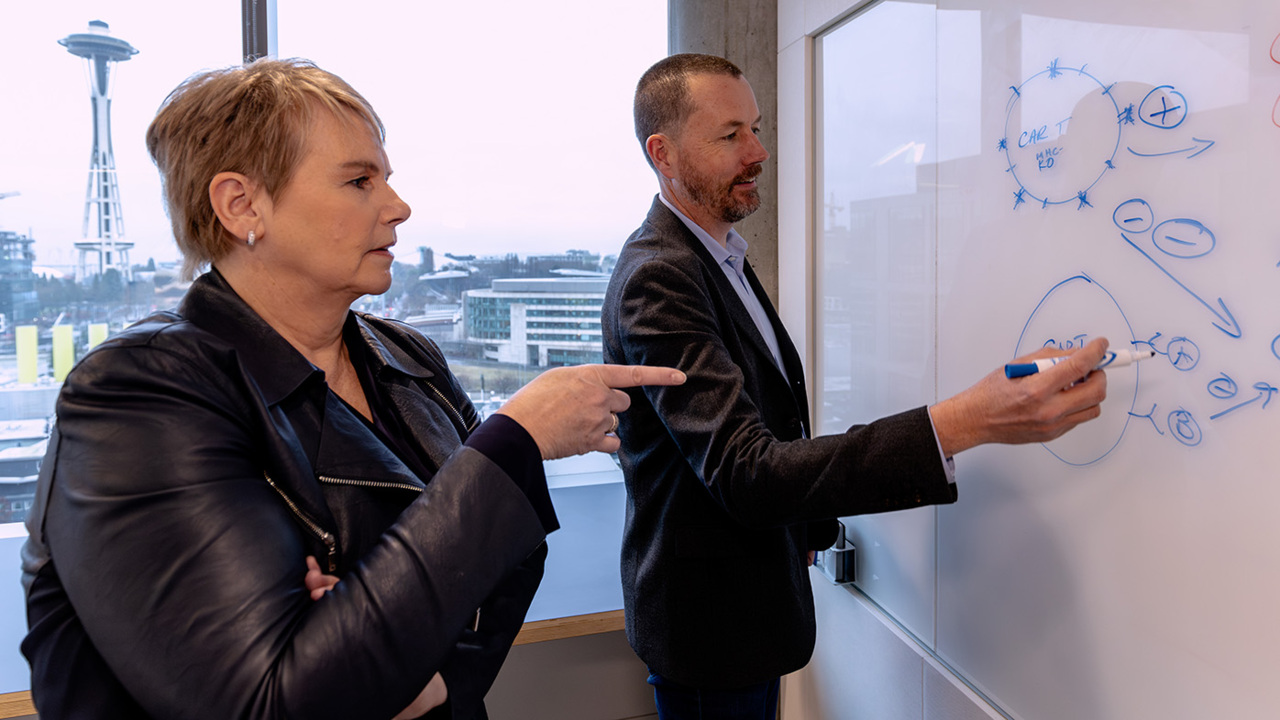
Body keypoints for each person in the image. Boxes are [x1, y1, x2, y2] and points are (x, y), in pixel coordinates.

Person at [20, 58, 684, 720]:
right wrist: (512, 441)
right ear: (241, 205)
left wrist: (434, 676)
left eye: (386, 179)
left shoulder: (407, 359)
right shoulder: (141, 392)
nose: (398, 207)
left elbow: (504, 568)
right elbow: (271, 699)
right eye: (359, 181)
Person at [601, 53, 1109, 719]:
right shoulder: (660, 276)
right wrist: (966, 420)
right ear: (662, 153)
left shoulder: (718, 255)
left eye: (756, 128)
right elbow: (744, 471)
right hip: (711, 630)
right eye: (730, 136)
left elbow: (768, 418)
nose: (758, 151)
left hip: (752, 609)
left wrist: (811, 525)